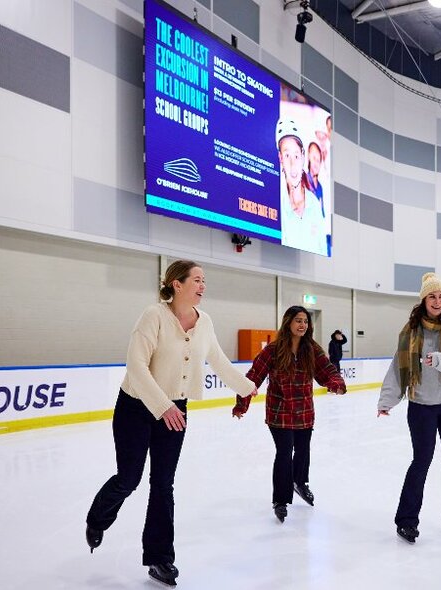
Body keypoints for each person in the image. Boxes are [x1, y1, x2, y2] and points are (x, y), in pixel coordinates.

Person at [85, 260, 256, 587]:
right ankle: (98, 518)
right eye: (197, 279)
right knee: (129, 478)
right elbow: (136, 366)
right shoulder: (154, 316)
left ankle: (160, 558)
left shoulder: (205, 322)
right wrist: (162, 407)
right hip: (136, 407)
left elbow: (218, 361)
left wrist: (248, 387)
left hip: (175, 408)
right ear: (176, 284)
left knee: (163, 484)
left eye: (204, 280)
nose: (202, 285)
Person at [377, 272, 441, 544]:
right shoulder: (411, 331)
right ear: (423, 300)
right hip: (421, 406)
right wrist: (387, 401)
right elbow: (398, 368)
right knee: (421, 461)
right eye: (432, 296)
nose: (437, 301)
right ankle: (406, 521)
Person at [232, 305, 346, 523]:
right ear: (288, 323)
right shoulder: (273, 350)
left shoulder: (312, 349)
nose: (302, 324)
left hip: (304, 411)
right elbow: (254, 375)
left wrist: (336, 383)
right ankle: (280, 499)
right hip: (279, 412)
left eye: (305, 321)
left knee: (303, 449)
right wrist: (242, 403)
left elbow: (327, 370)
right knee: (284, 452)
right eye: (298, 320)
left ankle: (300, 482)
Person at [276, 119, 326, 255]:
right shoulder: (277, 206)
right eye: (287, 155)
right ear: (280, 158)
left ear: (303, 157)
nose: (293, 164)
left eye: (297, 156)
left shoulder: (315, 205)